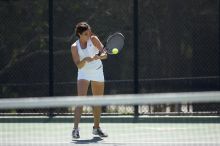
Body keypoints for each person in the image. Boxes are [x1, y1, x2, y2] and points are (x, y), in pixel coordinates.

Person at [71, 22, 108, 139]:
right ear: (79, 34)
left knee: (97, 101)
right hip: (84, 73)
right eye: (86, 34)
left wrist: (99, 56)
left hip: (97, 71)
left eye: (90, 32)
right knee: (80, 100)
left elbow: (105, 54)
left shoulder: (94, 39)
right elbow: (79, 66)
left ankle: (96, 128)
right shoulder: (74, 47)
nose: (89, 35)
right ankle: (75, 129)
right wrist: (86, 59)